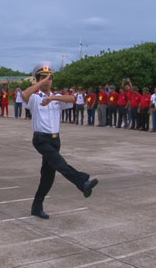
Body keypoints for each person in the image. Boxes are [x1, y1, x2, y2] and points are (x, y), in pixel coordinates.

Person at [22, 61, 98, 219]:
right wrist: (41, 84)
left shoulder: (56, 98)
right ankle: (82, 182)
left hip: (55, 140)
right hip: (41, 139)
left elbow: (72, 99)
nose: (47, 81)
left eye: (49, 78)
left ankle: (37, 206)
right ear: (38, 80)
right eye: (43, 78)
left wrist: (53, 98)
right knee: (60, 164)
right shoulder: (35, 99)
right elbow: (25, 95)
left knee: (48, 177)